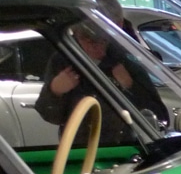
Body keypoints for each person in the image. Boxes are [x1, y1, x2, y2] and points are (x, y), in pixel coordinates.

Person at [35, 20, 166, 146]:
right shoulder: (63, 61)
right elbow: (51, 116)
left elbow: (159, 115)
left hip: (125, 146)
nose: (98, 47)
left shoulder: (124, 60)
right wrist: (55, 90)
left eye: (103, 41)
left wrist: (130, 86)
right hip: (81, 149)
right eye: (90, 41)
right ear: (78, 37)